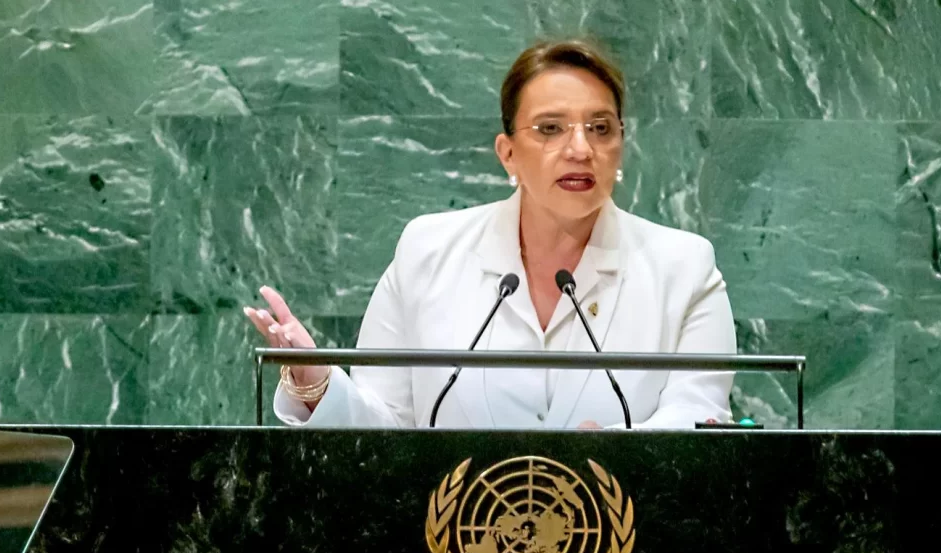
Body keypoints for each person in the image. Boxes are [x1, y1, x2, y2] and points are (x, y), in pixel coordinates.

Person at [244, 38, 736, 430]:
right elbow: (387, 425)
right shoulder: (428, 252)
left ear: (621, 146)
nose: (581, 148)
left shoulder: (684, 268)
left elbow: (700, 416)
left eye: (601, 128)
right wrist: (318, 381)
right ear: (507, 153)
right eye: (550, 129)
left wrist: (614, 453)